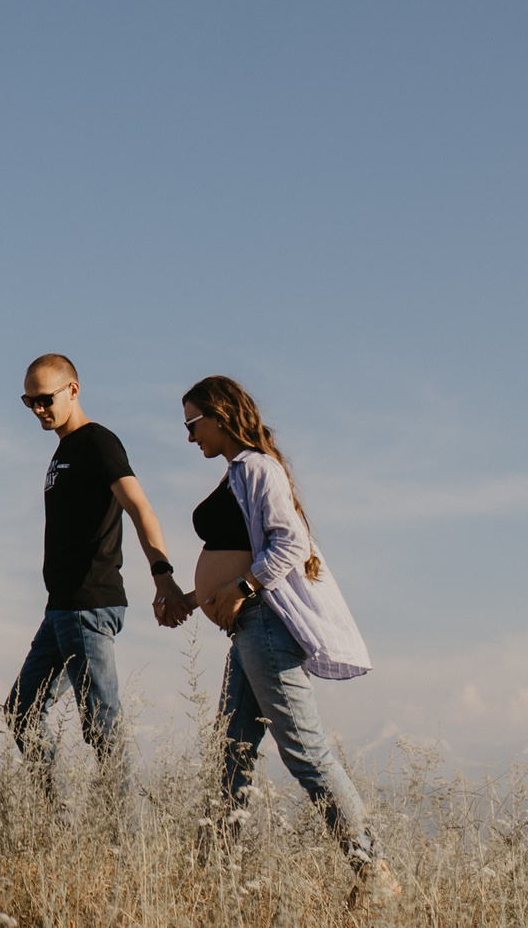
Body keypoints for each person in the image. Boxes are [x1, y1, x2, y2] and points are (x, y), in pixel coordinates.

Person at [178, 374, 399, 904]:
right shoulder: (239, 471)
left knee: (305, 751)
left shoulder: (257, 467)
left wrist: (242, 587)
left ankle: (374, 874)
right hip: (247, 627)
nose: (190, 437)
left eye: (193, 423)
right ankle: (214, 877)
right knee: (231, 752)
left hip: (266, 626)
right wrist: (192, 598)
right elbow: (238, 547)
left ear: (221, 414)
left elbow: (289, 542)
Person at [3, 353, 185, 793]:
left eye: (45, 399)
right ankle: (54, 820)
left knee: (102, 724)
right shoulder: (64, 451)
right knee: (21, 712)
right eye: (29, 403)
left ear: (73, 389)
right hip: (61, 608)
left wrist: (163, 576)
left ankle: (117, 838)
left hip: (89, 604)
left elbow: (139, 507)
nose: (39, 410)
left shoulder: (98, 442)